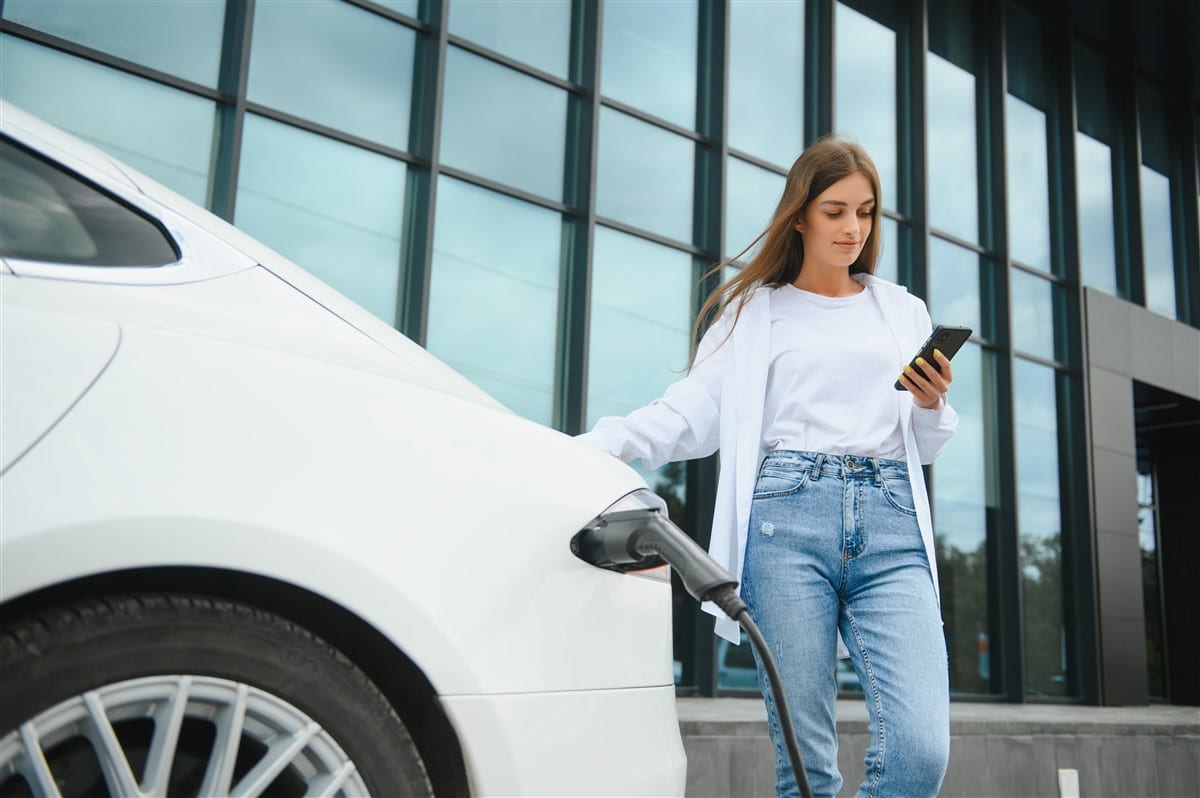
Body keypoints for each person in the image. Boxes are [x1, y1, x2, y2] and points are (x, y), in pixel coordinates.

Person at [577, 138, 957, 798]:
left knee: (921, 751)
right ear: (801, 215)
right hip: (787, 524)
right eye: (835, 211)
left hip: (892, 523)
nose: (853, 228)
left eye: (865, 213)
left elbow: (923, 443)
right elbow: (691, 411)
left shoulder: (901, 310)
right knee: (807, 769)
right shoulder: (755, 311)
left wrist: (931, 403)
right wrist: (602, 443)